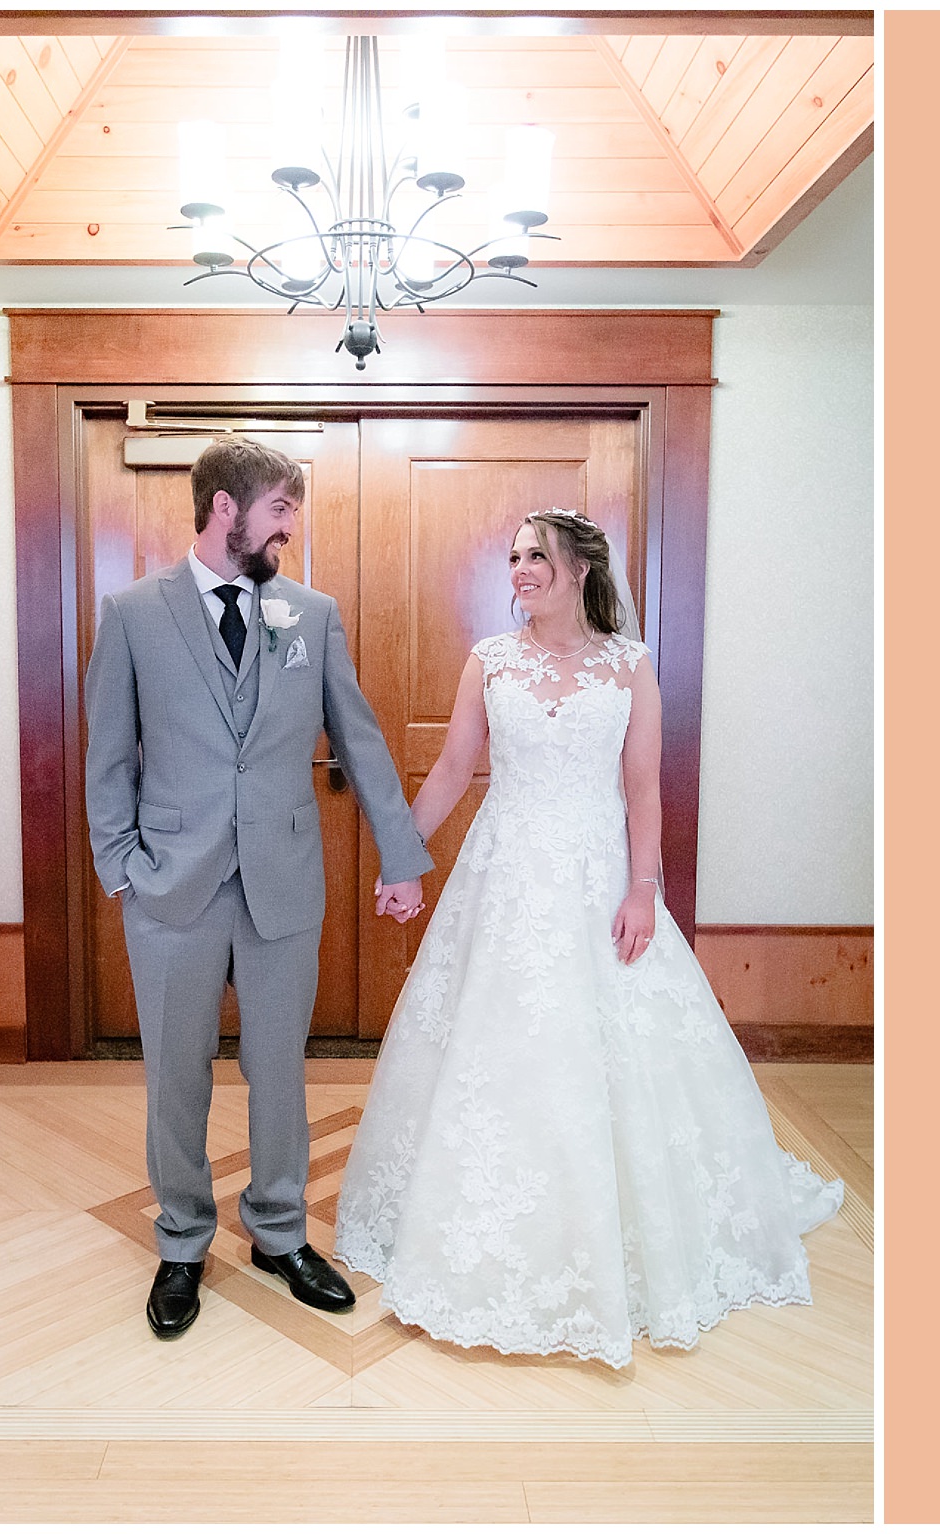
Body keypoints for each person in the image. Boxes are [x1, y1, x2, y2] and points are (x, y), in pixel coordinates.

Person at [333, 508, 843, 1367]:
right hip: (504, 873)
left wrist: (642, 891)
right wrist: (401, 859)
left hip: (600, 875)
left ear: (579, 571)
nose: (522, 569)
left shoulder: (629, 666)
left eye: (538, 556)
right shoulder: (489, 661)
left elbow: (643, 790)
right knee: (491, 1045)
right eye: (514, 557)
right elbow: (457, 766)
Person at [84, 436, 432, 1340]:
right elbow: (108, 757)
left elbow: (358, 739)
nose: (290, 529)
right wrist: (119, 864)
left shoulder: (310, 615)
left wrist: (401, 856)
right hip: (170, 887)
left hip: (282, 883)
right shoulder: (130, 613)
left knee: (279, 1069)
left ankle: (279, 1233)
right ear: (227, 509)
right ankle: (182, 1242)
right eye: (281, 510)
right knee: (174, 1075)